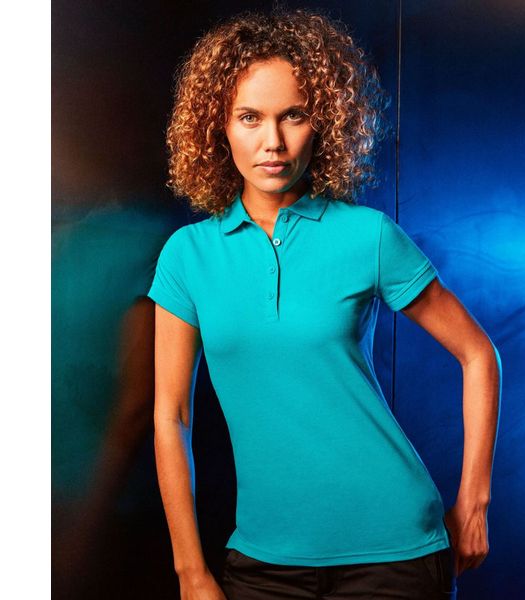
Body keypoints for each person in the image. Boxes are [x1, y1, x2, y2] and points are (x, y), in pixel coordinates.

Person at [148, 8, 501, 600]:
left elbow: (478, 354)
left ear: (325, 123)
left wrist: (474, 501)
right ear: (218, 127)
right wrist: (190, 571)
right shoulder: (188, 255)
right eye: (250, 117)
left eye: (294, 115)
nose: (273, 142)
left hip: (396, 554)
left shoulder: (368, 236)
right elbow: (171, 415)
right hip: (263, 560)